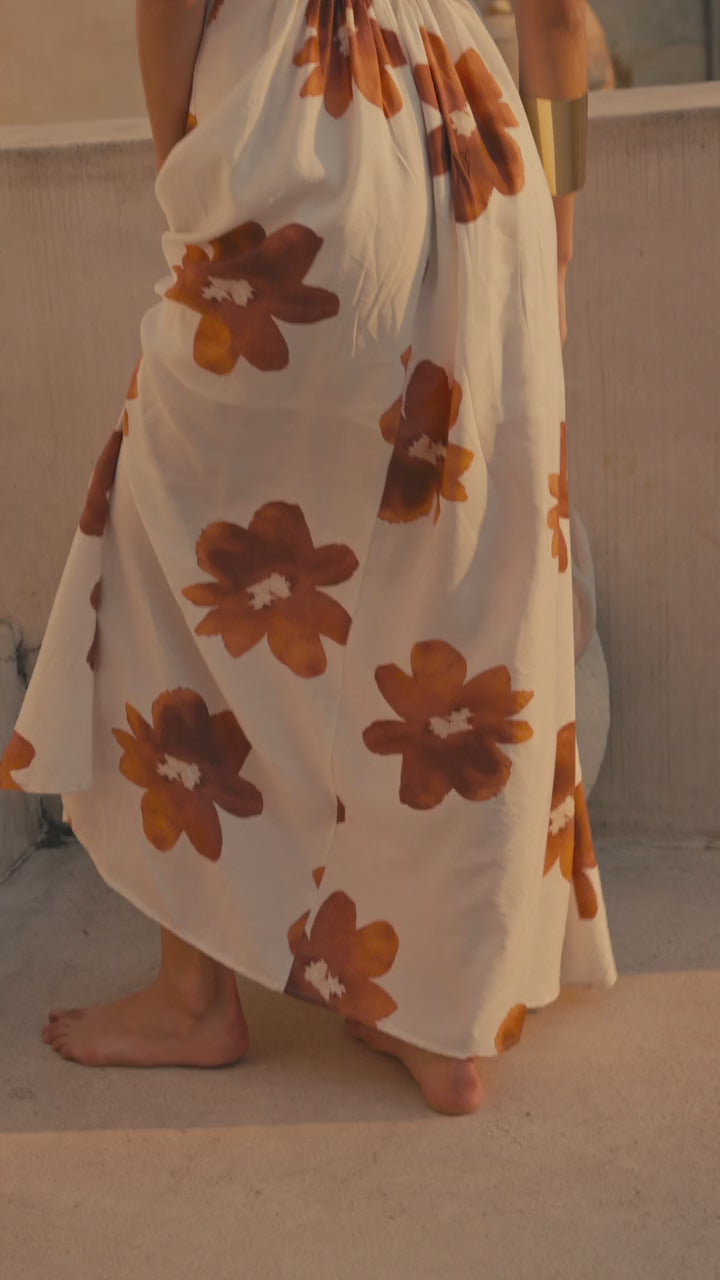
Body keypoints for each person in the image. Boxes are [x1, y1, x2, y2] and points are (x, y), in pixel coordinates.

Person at [0, 0, 617, 1115]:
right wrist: (560, 229)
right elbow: (560, 17)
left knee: (174, 549)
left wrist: (184, 168)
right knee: (446, 585)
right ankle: (432, 1015)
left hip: (291, 149)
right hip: (482, 174)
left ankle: (195, 997)